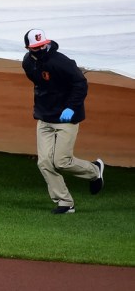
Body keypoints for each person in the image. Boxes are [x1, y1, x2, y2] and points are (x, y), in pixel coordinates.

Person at [21, 29, 104, 214]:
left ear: (46, 42)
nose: (41, 48)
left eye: (42, 44)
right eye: (36, 47)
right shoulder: (27, 63)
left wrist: (71, 107)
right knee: (44, 162)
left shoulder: (60, 61)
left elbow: (80, 83)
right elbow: (41, 84)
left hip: (66, 118)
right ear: (28, 48)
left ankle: (95, 171)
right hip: (44, 117)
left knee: (61, 162)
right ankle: (65, 202)